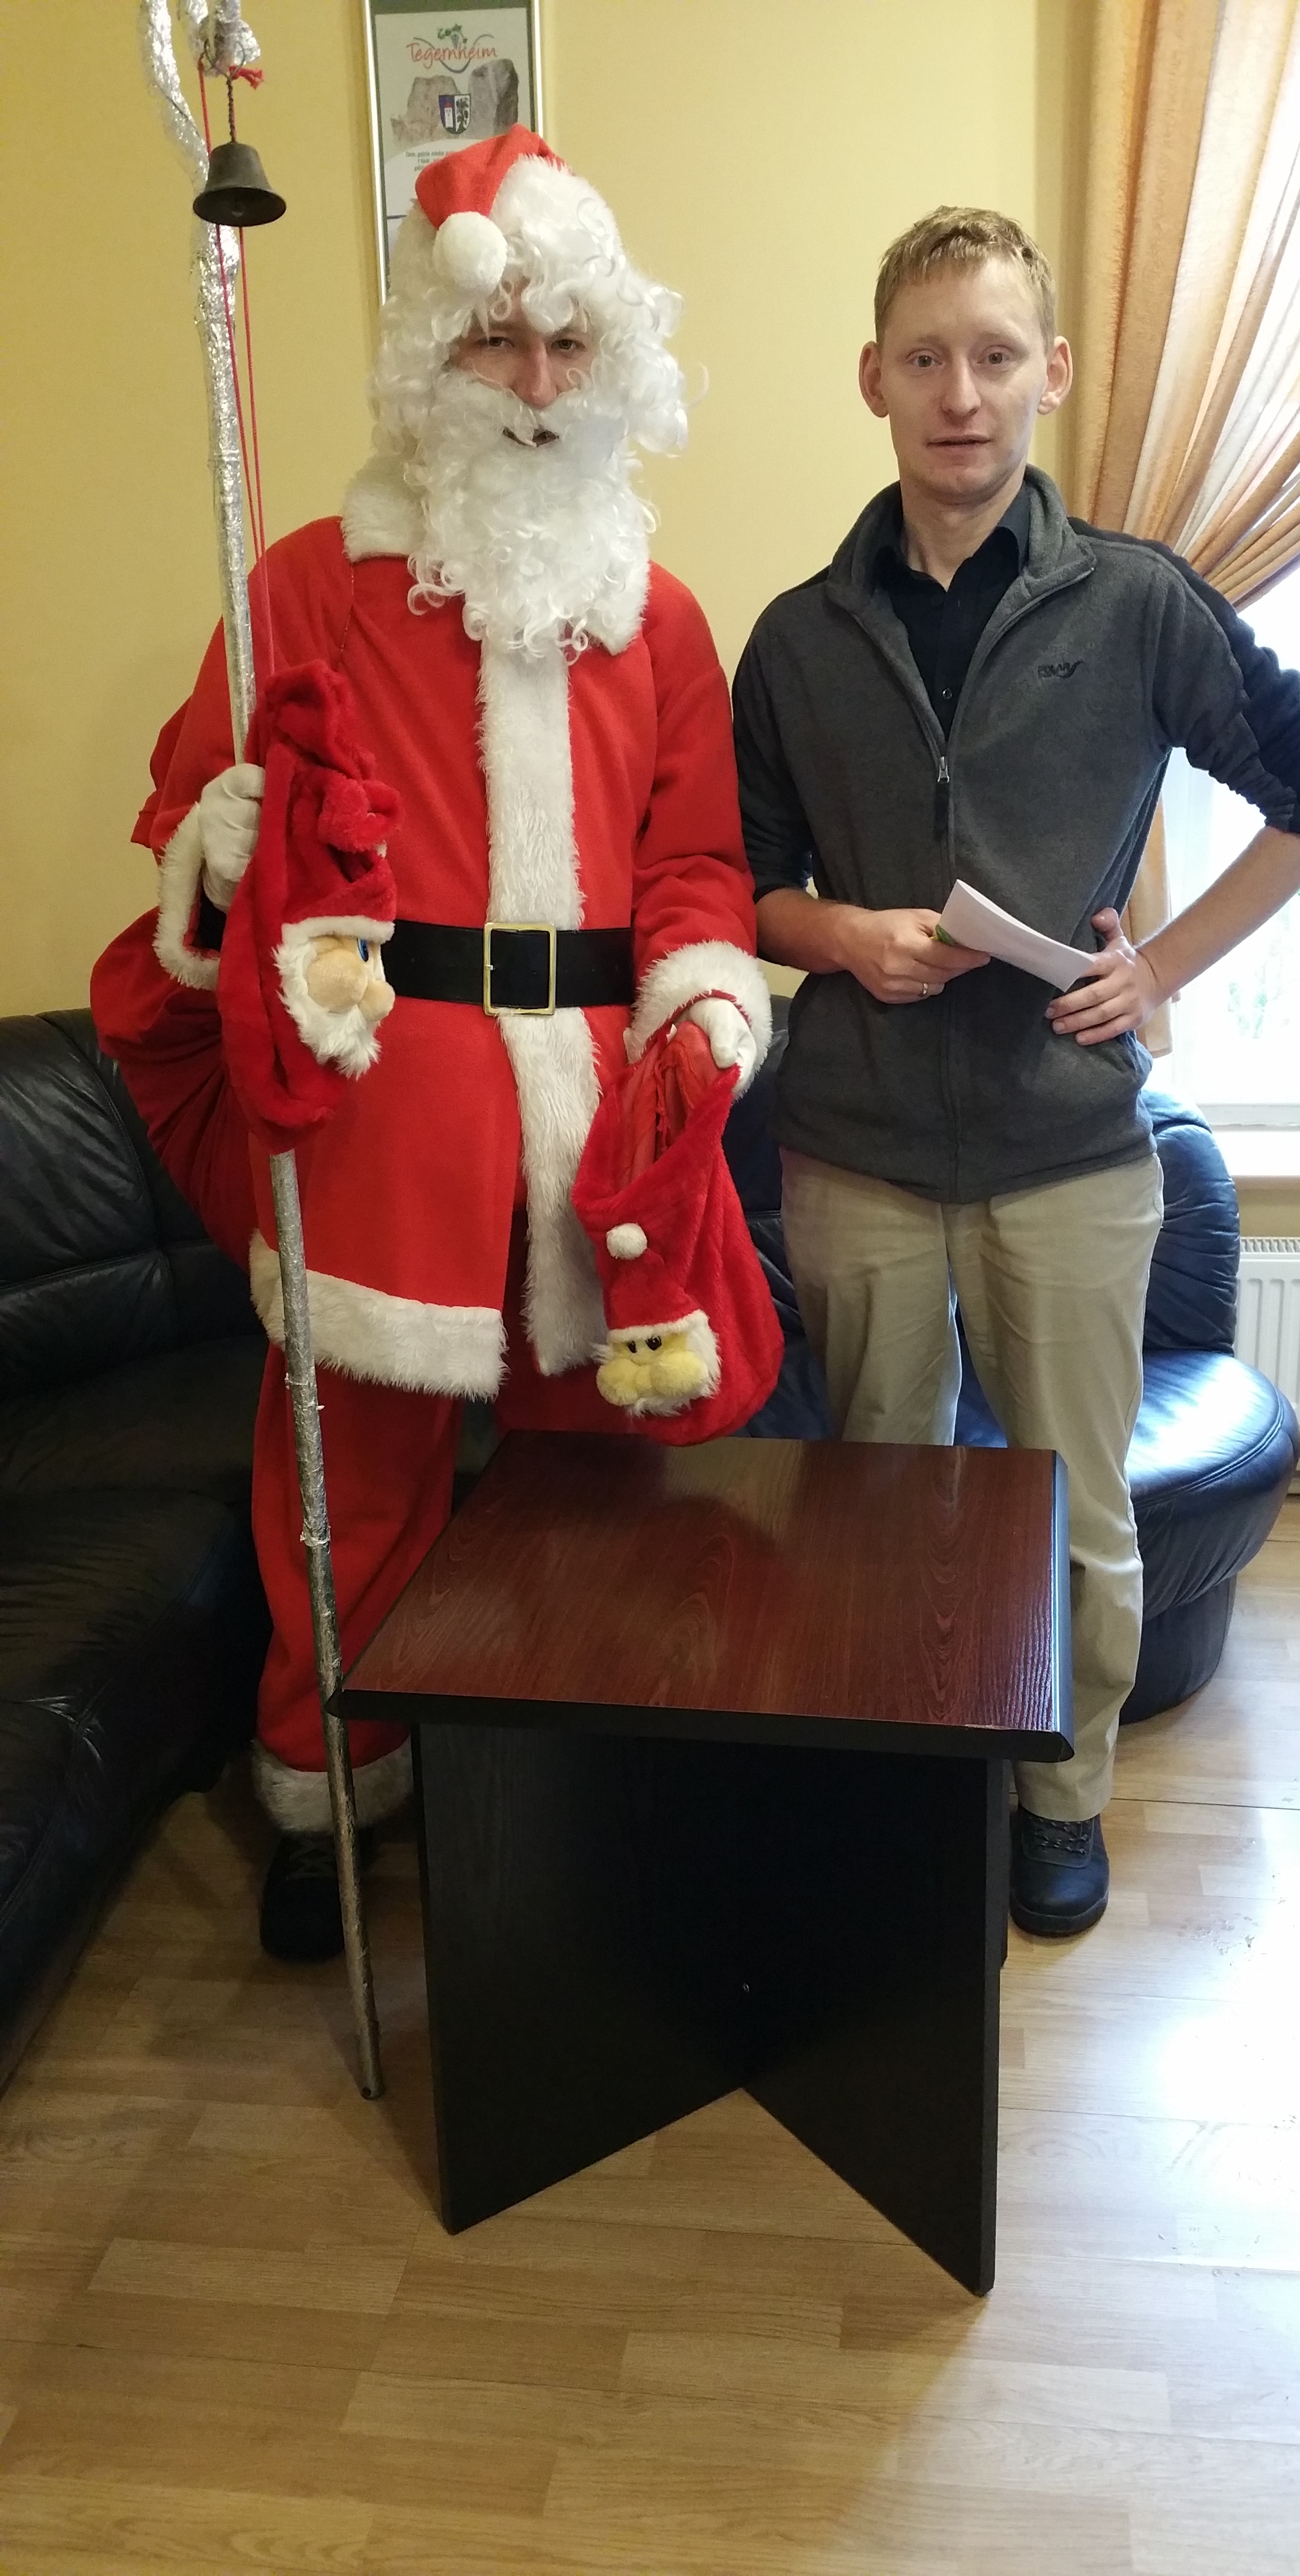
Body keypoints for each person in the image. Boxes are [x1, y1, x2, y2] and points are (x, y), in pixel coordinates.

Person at [93, 127, 770, 1962]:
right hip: (390, 1099)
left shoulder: (665, 617)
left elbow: (696, 864)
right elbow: (188, 814)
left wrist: (708, 1002)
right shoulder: (303, 584)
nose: (535, 382)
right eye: (495, 341)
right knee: (349, 1484)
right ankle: (329, 1783)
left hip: (598, 1109)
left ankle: (567, 1792)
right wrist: (216, 840)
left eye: (568, 343)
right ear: (431, 361)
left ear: (614, 364)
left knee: (589, 1484)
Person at [733, 206, 1300, 1937]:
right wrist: (839, 936)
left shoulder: (1142, 603)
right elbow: (743, 884)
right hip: (855, 1150)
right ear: (872, 379)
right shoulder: (792, 640)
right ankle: (901, 1788)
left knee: (1078, 1514)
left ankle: (1058, 1801)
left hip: (1072, 1156)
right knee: (879, 1506)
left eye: (995, 356)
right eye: (925, 358)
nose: (961, 394)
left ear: (1052, 374)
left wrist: (1158, 970)